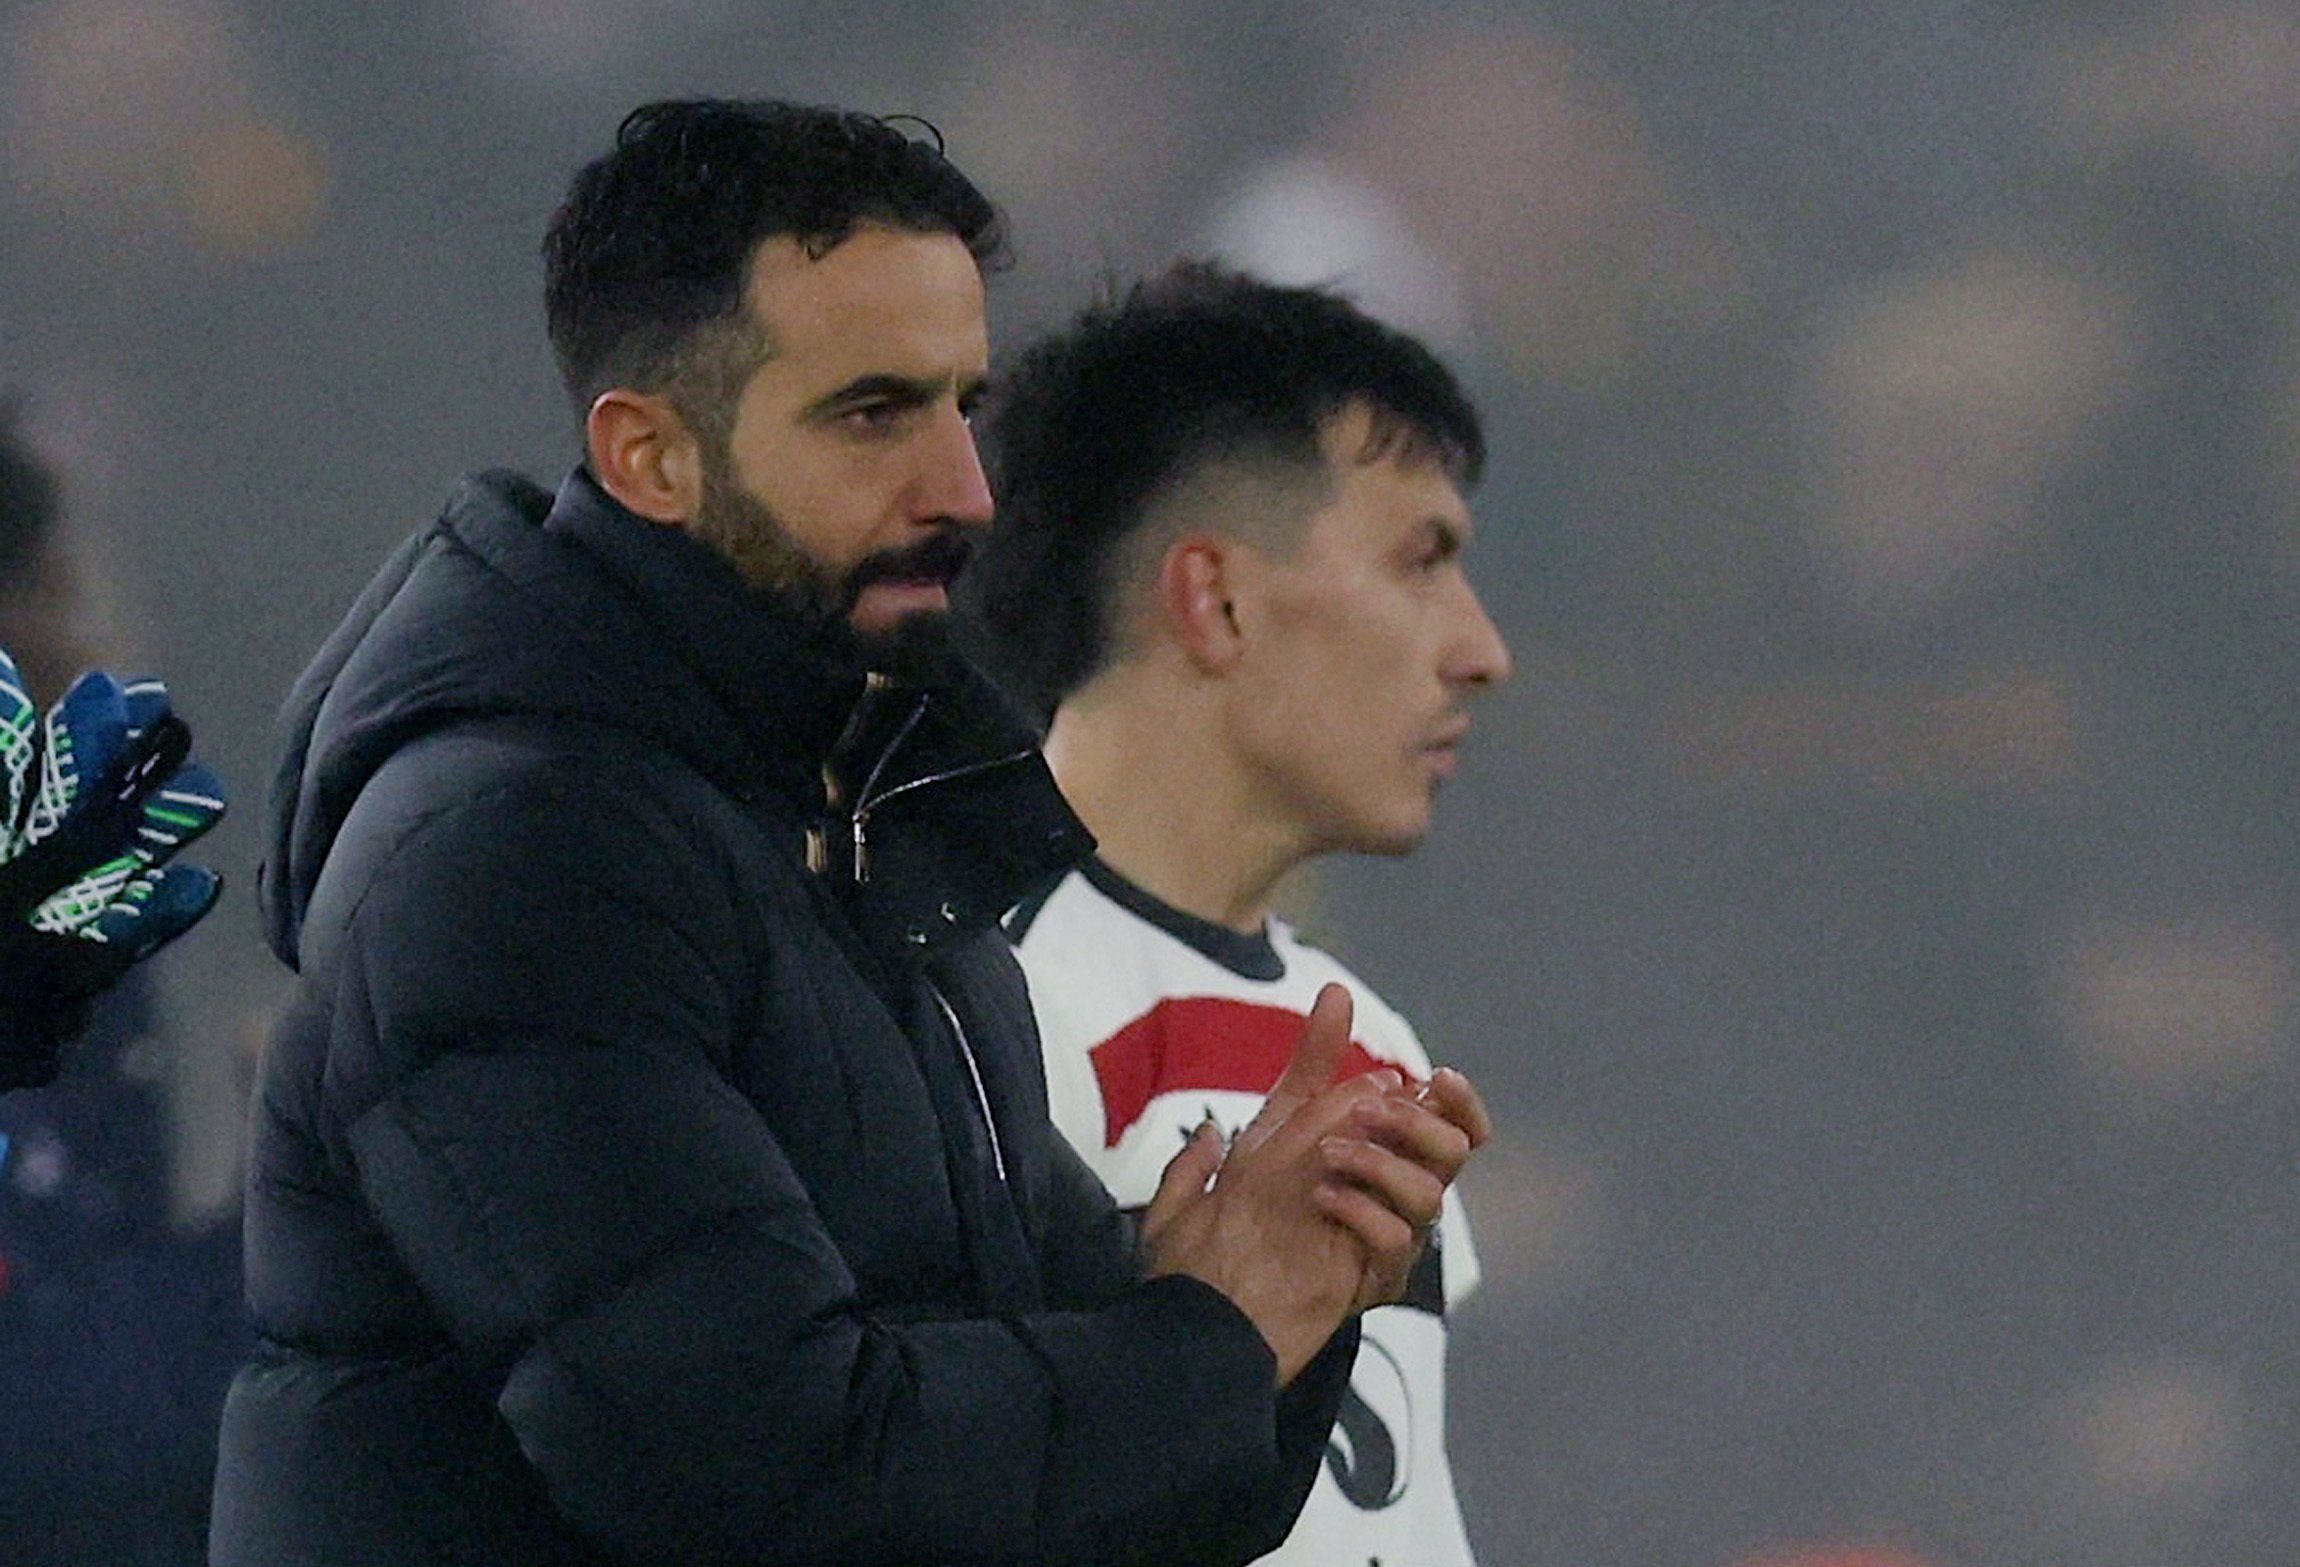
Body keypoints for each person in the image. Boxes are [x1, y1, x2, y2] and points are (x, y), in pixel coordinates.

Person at [212, 99, 1489, 1567]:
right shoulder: (522, 857)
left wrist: (1277, 1279)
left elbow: (1044, 1447)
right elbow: (768, 1474)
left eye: (966, 403)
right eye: (875, 413)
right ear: (650, 458)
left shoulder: (864, 820)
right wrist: (1210, 1331)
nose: (964, 491)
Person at [958, 262, 1512, 1567]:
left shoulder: (1367, 1029)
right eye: (1419, 558)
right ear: (1214, 599)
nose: (1483, 650)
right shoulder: (967, 1004)